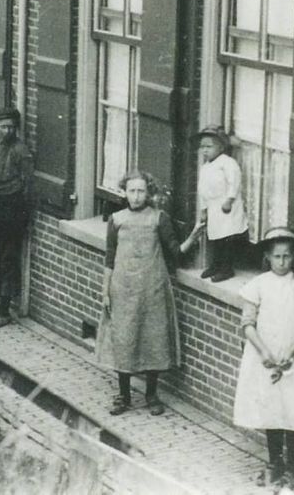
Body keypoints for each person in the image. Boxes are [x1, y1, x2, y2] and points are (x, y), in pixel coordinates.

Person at [232, 226, 294, 489]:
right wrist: (263, 351)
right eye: (276, 257)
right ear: (267, 256)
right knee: (272, 408)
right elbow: (247, 323)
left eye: (287, 256)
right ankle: (274, 462)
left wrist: (292, 351)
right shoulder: (258, 285)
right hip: (265, 356)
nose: (282, 262)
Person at [95, 171, 202, 417]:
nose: (136, 196)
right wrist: (105, 291)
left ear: (148, 192)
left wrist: (194, 235)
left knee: (152, 339)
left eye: (141, 191)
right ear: (124, 192)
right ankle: (124, 394)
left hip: (152, 289)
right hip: (122, 289)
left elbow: (176, 252)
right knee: (124, 339)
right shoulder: (116, 219)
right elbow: (109, 258)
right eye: (132, 191)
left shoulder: (158, 219)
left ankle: (151, 394)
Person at [0, 107, 32, 319]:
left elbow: (27, 183)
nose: (7, 131)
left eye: (11, 127)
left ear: (15, 128)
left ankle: (3, 307)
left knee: (9, 259)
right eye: (3, 127)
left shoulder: (21, 151)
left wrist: (23, 214)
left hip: (12, 209)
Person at [196, 125, 248, 282]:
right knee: (215, 238)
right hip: (213, 207)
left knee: (227, 239)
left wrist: (230, 199)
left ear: (220, 146)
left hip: (227, 207)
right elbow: (202, 189)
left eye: (209, 146)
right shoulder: (205, 167)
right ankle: (215, 265)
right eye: (202, 147)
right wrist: (203, 209)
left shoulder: (227, 163)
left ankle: (226, 268)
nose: (205, 150)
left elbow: (235, 182)